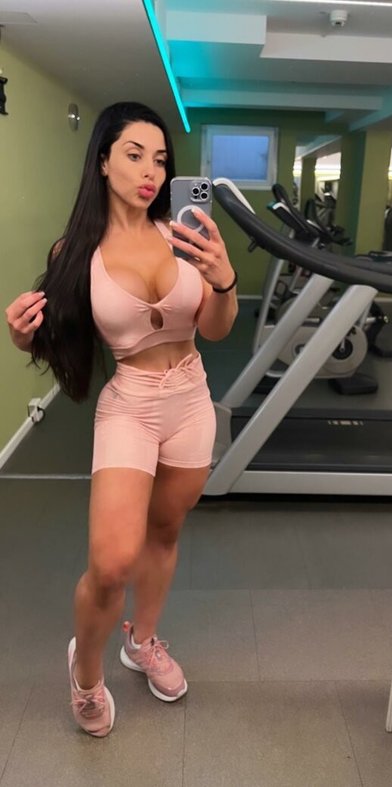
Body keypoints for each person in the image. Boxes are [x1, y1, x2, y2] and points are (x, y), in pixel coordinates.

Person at [5, 102, 238, 737]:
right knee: (110, 562)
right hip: (130, 405)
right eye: (134, 155)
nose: (150, 171)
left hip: (191, 399)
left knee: (165, 531)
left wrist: (223, 281)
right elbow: (54, 337)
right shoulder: (75, 252)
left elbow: (217, 329)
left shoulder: (183, 234)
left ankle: (142, 641)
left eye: (159, 159)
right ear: (103, 161)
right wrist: (24, 336)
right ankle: (86, 674)